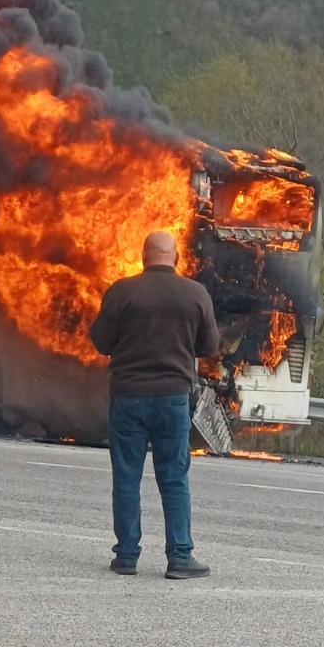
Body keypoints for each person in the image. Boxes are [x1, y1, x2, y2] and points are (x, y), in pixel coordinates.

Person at [88, 230, 220, 579]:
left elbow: (101, 341)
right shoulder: (196, 293)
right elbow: (209, 346)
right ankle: (180, 558)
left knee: (126, 478)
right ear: (176, 256)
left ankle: (126, 556)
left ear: (143, 256)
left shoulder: (122, 291)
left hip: (127, 397)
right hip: (172, 399)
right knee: (174, 478)